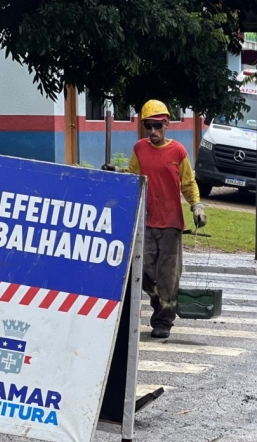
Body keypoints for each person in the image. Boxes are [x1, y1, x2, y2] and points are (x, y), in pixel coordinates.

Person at [103, 100, 207, 338]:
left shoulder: (178, 152)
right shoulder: (140, 149)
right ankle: (159, 303)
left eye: (157, 126)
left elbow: (188, 183)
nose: (152, 131)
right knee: (145, 272)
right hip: (146, 222)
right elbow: (133, 175)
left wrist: (197, 206)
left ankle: (163, 321)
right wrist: (116, 172)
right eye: (148, 126)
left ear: (166, 124)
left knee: (168, 276)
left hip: (171, 224)